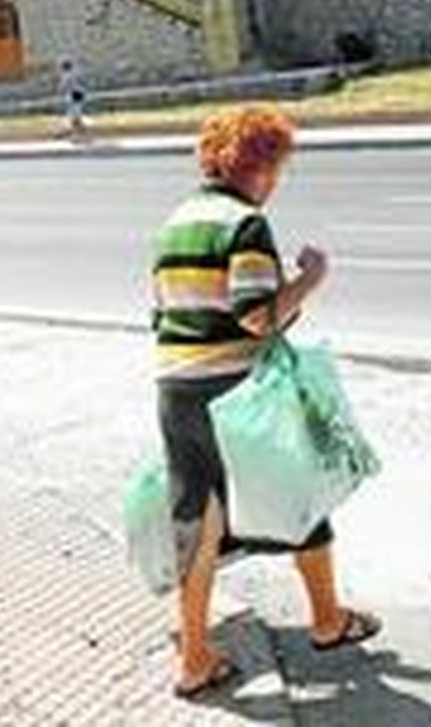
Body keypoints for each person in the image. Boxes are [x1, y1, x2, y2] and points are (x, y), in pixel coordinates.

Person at [151, 104, 380, 699]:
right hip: (237, 391)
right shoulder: (244, 223)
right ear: (256, 165)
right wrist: (309, 279)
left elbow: (163, 311)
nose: (276, 180)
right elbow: (257, 318)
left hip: (176, 389)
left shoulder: (176, 220)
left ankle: (195, 658)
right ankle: (328, 620)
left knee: (196, 523)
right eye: (275, 166)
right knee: (297, 494)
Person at [57, 57, 88, 141]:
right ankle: (78, 133)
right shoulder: (74, 74)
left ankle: (76, 134)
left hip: (74, 95)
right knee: (75, 116)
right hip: (78, 94)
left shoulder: (67, 75)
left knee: (74, 116)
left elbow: (63, 87)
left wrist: (61, 91)